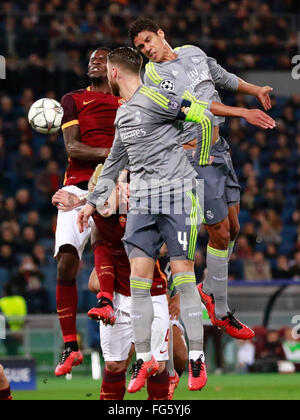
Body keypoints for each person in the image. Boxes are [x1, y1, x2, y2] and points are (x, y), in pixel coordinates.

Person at [77, 47, 274, 393]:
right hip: (143, 200)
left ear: (112, 74)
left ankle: (197, 358)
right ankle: (144, 358)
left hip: (174, 196)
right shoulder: (124, 115)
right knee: (140, 277)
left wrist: (199, 161)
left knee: (184, 274)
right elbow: (112, 163)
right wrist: (91, 203)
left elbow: (200, 115)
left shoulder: (159, 96)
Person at [128, 17, 274, 340]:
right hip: (194, 156)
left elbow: (221, 77)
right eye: (140, 47)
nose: (146, 50)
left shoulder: (193, 52)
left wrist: (255, 90)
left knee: (233, 228)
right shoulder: (154, 76)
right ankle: (218, 308)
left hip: (218, 148)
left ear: (161, 33)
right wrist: (243, 112)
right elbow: (199, 107)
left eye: (148, 40)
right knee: (219, 231)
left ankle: (209, 290)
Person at [53, 173, 171, 400]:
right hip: (118, 297)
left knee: (158, 365)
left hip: (150, 294)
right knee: (115, 365)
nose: (102, 203)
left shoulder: (141, 206)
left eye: (105, 195)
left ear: (121, 190)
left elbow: (165, 248)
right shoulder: (97, 217)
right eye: (97, 198)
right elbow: (99, 253)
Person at [51, 47, 121, 377]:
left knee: (104, 242)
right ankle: (71, 346)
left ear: (116, 68)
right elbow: (72, 147)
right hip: (77, 185)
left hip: (118, 183)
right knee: (66, 262)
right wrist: (113, 153)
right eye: (91, 59)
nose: (94, 62)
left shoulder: (129, 100)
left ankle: (106, 300)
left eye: (102, 59)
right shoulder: (74, 99)